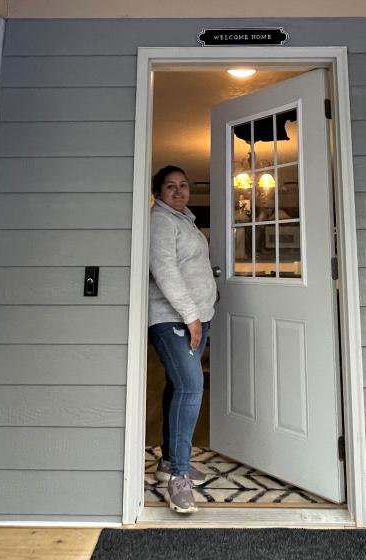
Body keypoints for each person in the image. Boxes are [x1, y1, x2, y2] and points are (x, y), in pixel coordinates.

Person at [148, 165, 216, 514]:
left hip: (195, 318)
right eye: (170, 186)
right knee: (191, 387)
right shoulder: (160, 221)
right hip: (171, 319)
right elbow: (165, 271)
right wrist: (190, 316)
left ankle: (168, 462)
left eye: (183, 185)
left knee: (178, 387)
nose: (178, 191)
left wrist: (202, 314)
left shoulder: (183, 221)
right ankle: (179, 476)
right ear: (158, 192)